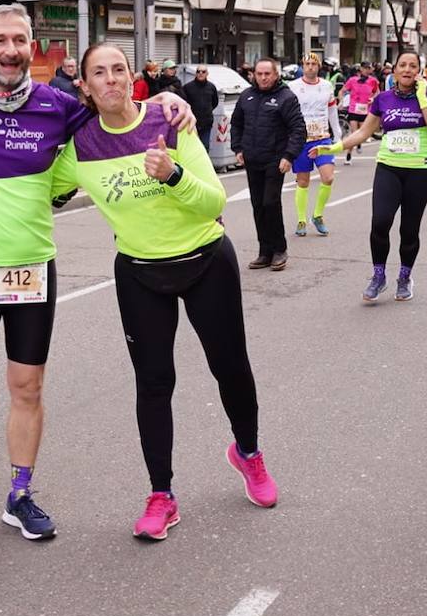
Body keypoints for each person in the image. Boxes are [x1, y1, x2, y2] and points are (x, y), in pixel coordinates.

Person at [0, 3, 192, 545]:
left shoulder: (58, 106)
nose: (11, 50)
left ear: (33, 48)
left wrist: (164, 99)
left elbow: (118, 112)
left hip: (31, 267)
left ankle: (19, 495)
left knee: (27, 387)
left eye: (20, 40)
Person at [49, 42, 277, 540]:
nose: (110, 80)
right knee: (154, 383)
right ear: (83, 86)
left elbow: (213, 199)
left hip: (205, 260)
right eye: (98, 74)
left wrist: (172, 175)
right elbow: (38, 185)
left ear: (132, 78)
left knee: (230, 367)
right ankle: (162, 495)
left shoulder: (170, 122)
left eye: (118, 70)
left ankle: (249, 454)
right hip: (139, 273)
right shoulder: (81, 145)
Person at [312, 51, 427, 302]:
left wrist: (422, 96)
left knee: (409, 229)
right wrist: (335, 147)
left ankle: (404, 277)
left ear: (419, 71)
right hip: (388, 169)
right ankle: (378, 275)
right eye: (402, 65)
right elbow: (363, 132)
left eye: (412, 66)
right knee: (380, 223)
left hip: (419, 172)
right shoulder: (383, 99)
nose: (407, 69)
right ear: (394, 71)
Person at [230, 57, 305, 271]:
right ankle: (265, 252)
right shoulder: (247, 96)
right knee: (258, 206)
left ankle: (279, 250)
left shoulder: (286, 97)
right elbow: (236, 123)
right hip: (253, 160)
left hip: (275, 160)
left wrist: (289, 156)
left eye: (267, 74)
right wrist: (238, 148)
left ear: (275, 75)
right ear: (254, 74)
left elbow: (298, 129)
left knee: (270, 203)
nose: (263, 78)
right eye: (259, 74)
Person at [287, 53, 341, 237]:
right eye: (307, 64)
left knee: (328, 178)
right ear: (302, 65)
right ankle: (301, 219)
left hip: (322, 138)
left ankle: (317, 215)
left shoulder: (326, 86)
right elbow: (285, 112)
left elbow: (332, 110)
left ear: (318, 67)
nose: (310, 67)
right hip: (301, 139)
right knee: (303, 181)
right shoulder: (293, 87)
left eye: (313, 64)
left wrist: (338, 133)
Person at [340, 64, 379, 163]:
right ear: (361, 69)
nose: (366, 70)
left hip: (365, 110)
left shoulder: (373, 81)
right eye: (364, 68)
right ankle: (349, 155)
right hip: (353, 109)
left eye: (368, 68)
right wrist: (341, 101)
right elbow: (342, 91)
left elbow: (377, 92)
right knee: (354, 133)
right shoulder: (352, 80)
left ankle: (359, 143)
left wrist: (373, 99)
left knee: (362, 132)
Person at [183, 64, 220, 151]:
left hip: (206, 122)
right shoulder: (187, 87)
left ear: (207, 74)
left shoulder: (211, 87)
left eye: (203, 72)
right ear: (195, 73)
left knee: (205, 147)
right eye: (198, 71)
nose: (200, 73)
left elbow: (215, 102)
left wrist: (208, 110)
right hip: (191, 123)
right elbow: (184, 103)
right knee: (192, 148)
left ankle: (204, 164)